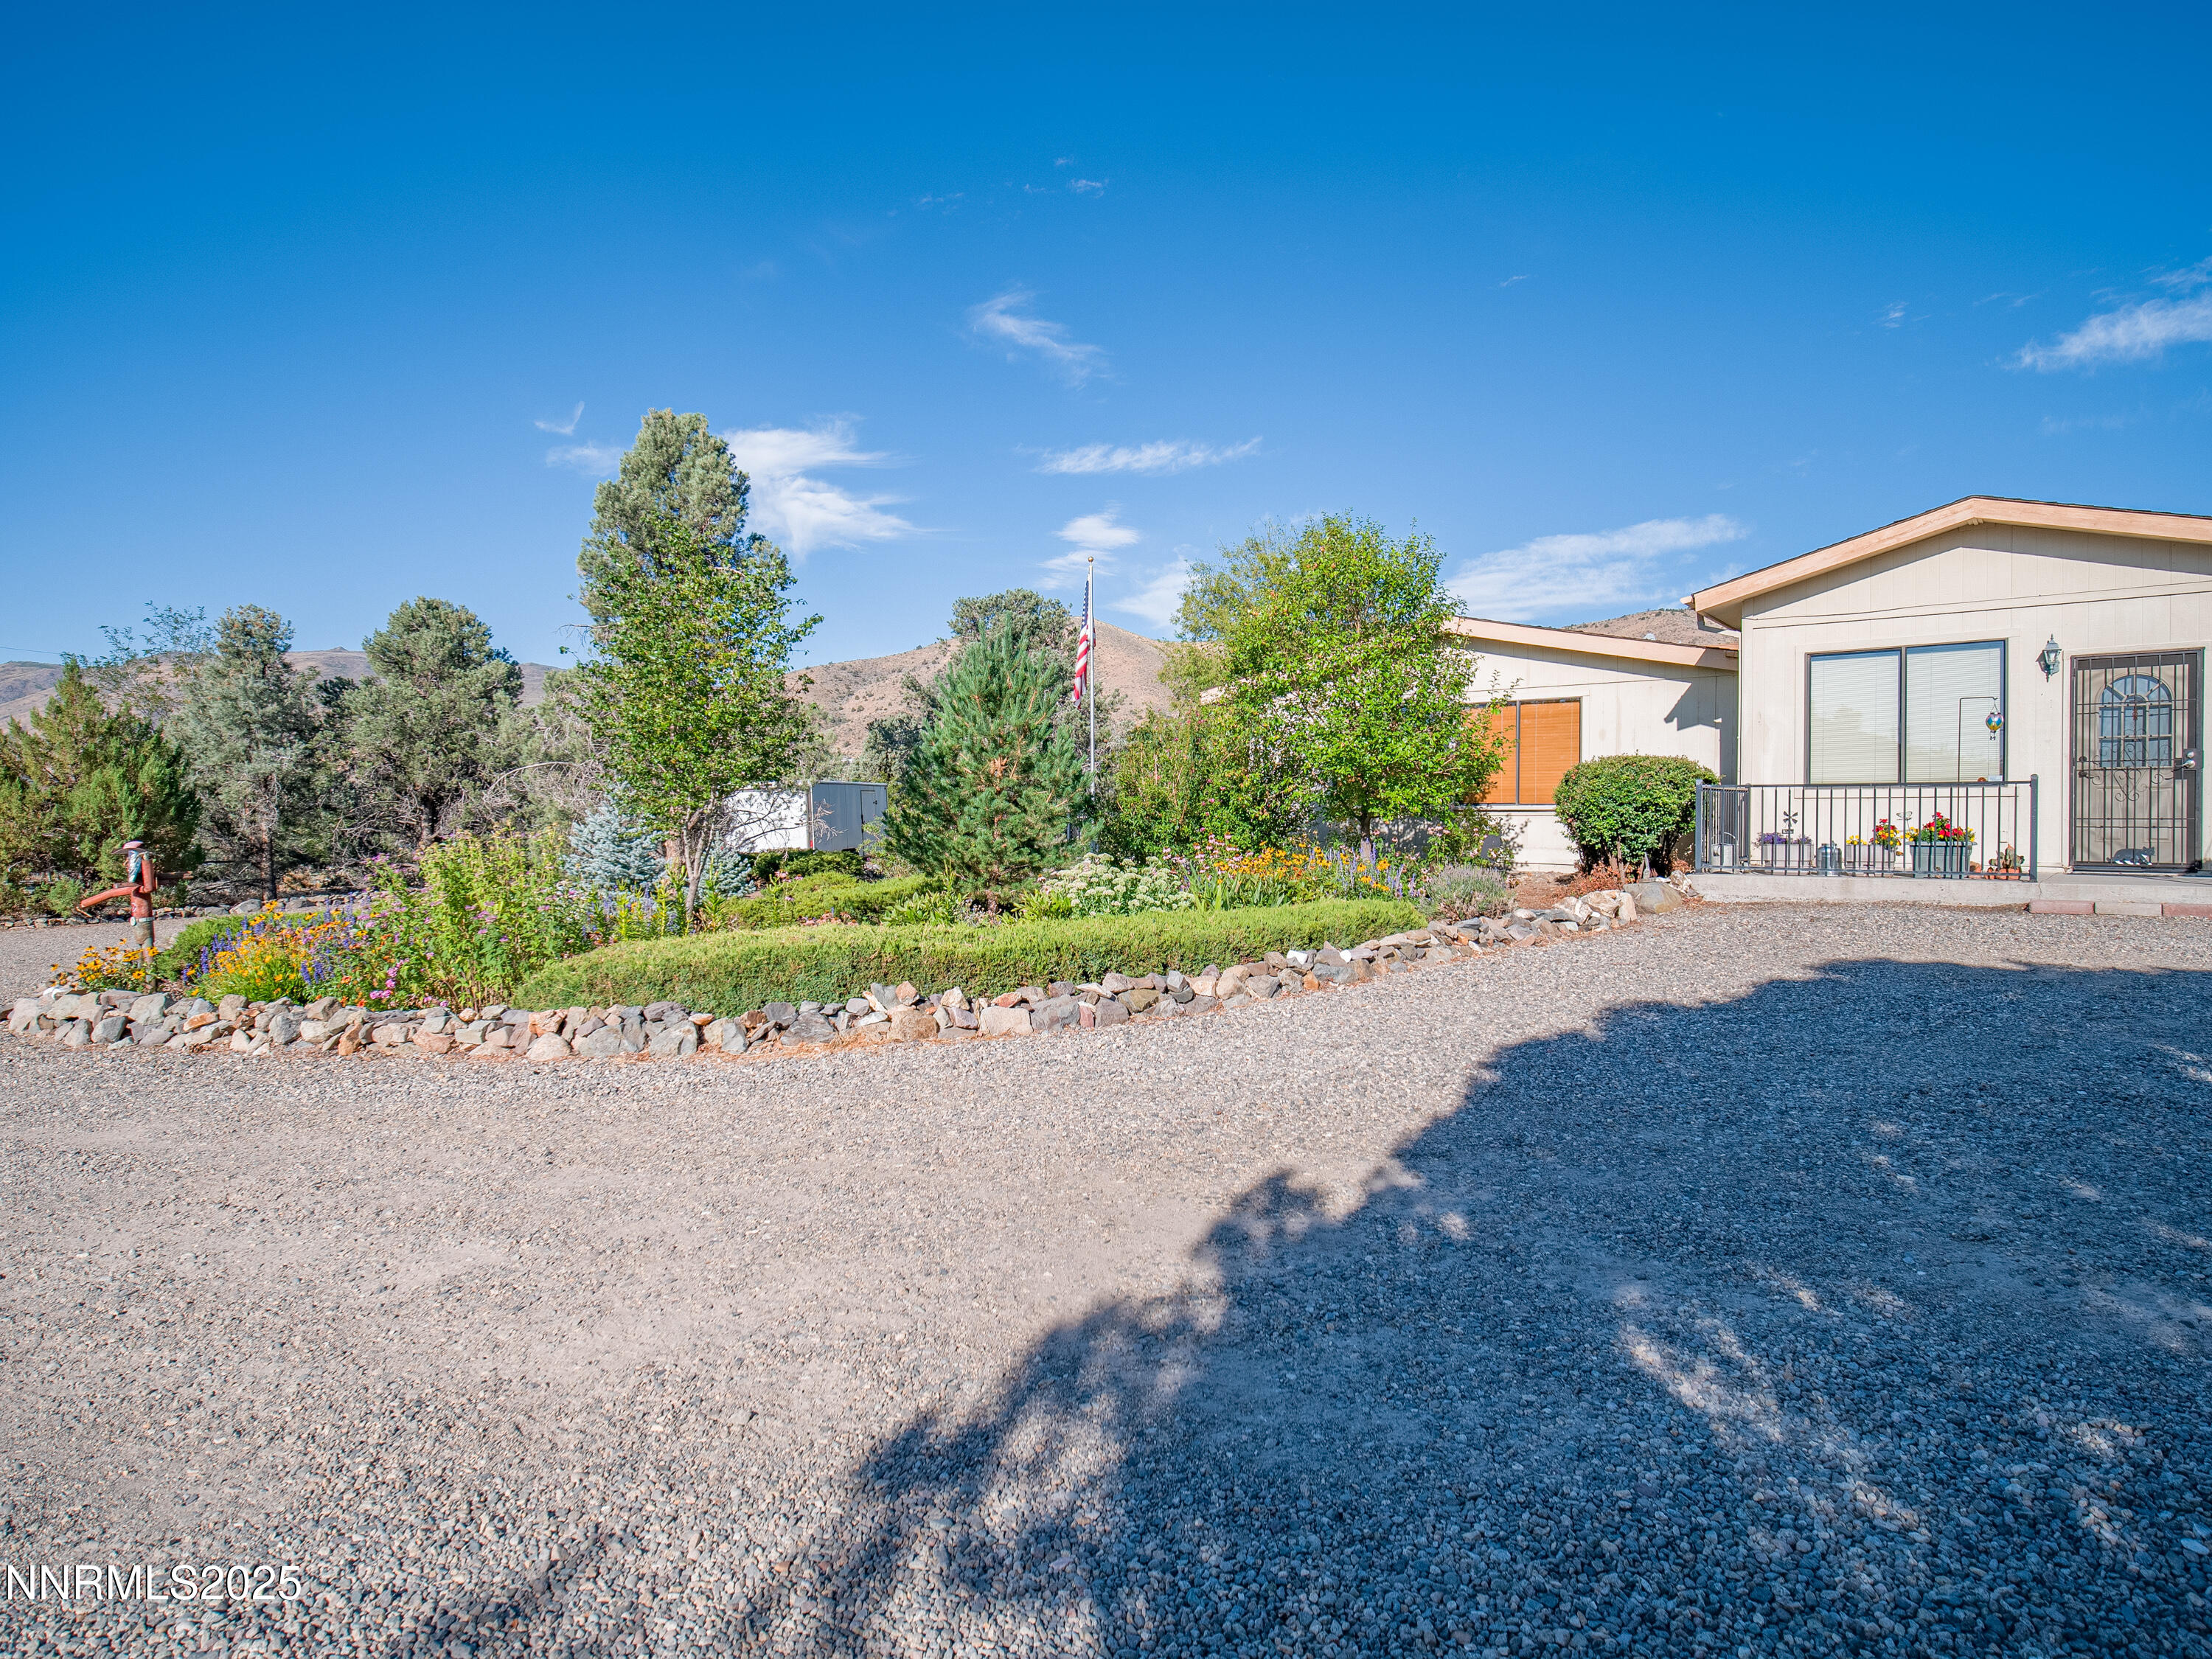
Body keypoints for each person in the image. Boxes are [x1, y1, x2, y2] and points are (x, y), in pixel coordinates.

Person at [77, 838, 159, 950]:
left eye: (129, 858)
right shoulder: (135, 884)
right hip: (138, 920)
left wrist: (146, 862)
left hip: (143, 920)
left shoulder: (141, 883)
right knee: (141, 945)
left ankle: (148, 964)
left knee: (146, 946)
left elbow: (148, 888)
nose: (125, 863)